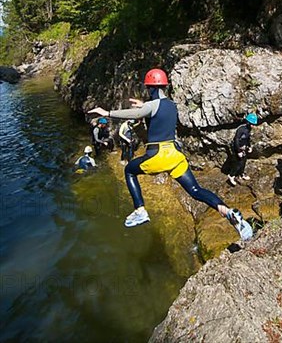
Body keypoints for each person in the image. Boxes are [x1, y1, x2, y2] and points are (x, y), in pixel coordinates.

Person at [88, 68, 253, 241]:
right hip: (175, 155)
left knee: (129, 170)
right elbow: (154, 118)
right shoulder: (171, 105)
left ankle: (140, 210)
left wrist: (107, 113)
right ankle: (229, 213)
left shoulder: (151, 106)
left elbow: (139, 113)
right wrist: (143, 113)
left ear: (150, 87)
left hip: (158, 155)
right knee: (196, 190)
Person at [228, 113, 258, 186]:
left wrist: (249, 146)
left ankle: (241, 174)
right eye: (251, 124)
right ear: (247, 122)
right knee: (238, 163)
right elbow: (236, 140)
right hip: (237, 148)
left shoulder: (248, 129)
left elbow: (247, 139)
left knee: (243, 162)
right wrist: (238, 151)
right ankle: (231, 175)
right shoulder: (241, 129)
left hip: (244, 147)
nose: (252, 126)